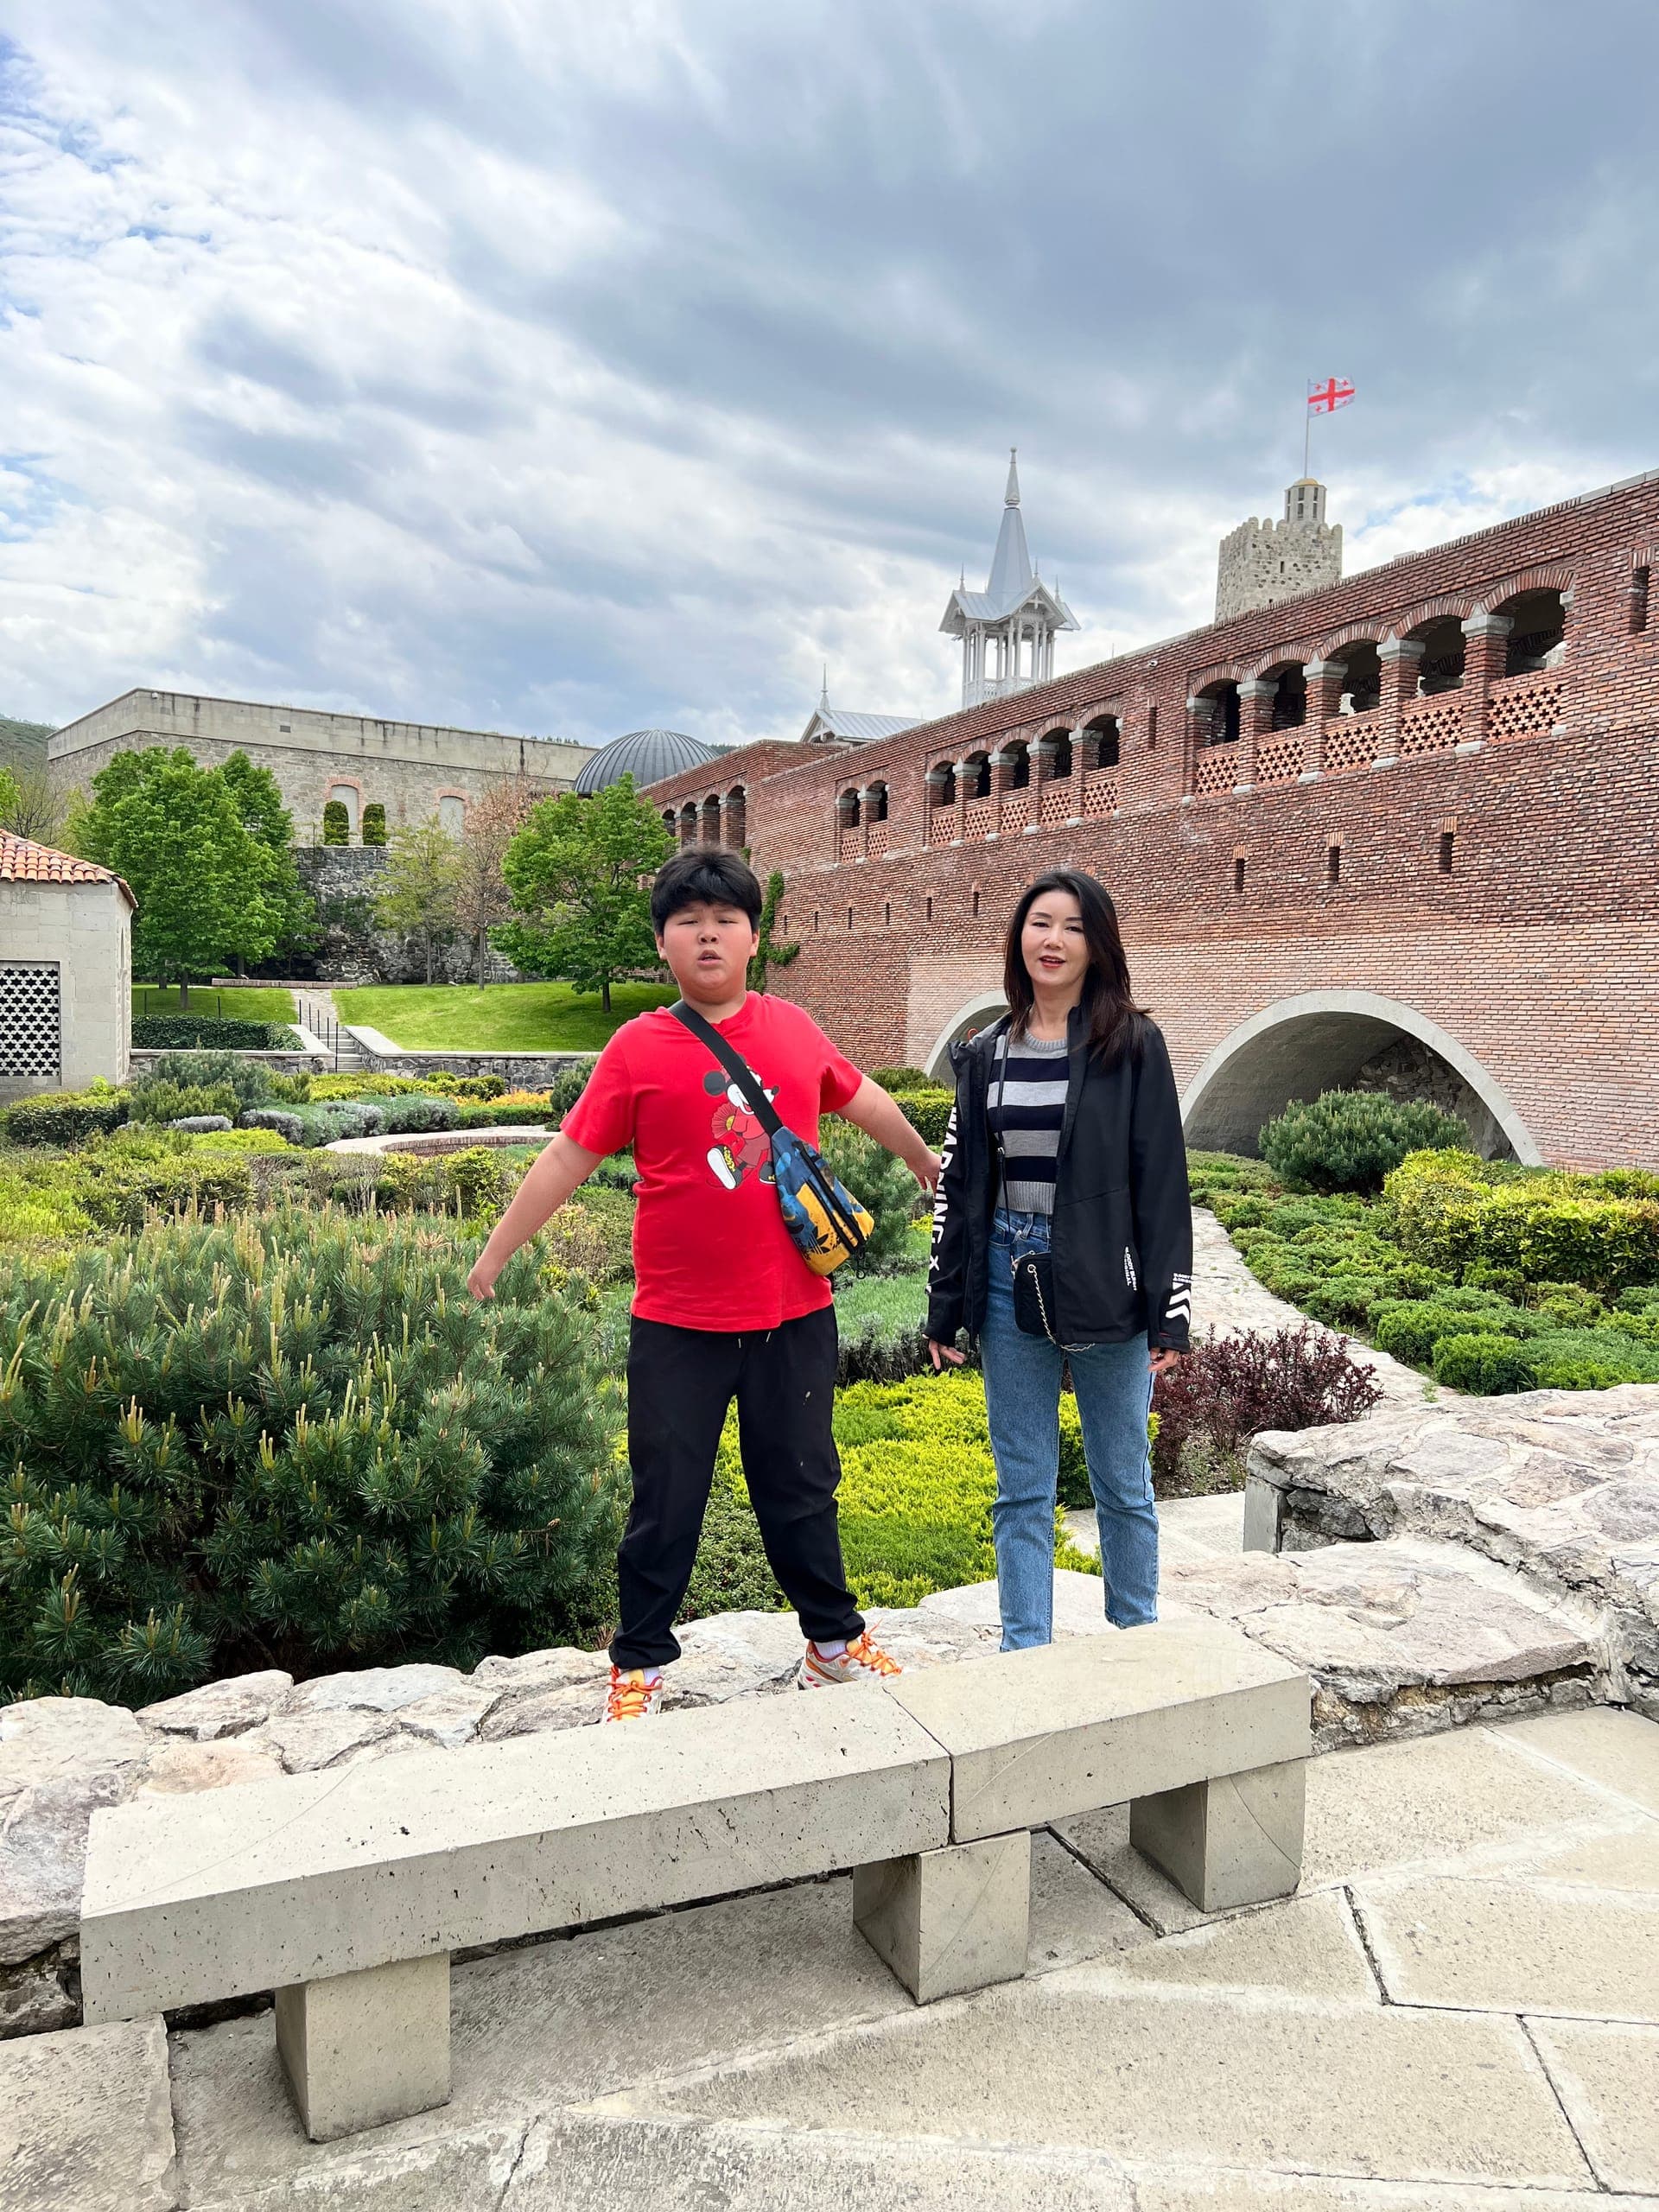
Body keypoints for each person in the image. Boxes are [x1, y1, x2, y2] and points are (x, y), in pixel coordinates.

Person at [467, 845, 941, 1720]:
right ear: (663, 943)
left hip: (794, 1314)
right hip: (678, 1325)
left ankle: (832, 1645)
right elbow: (569, 1155)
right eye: (689, 922)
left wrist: (921, 1157)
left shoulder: (794, 1029)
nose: (709, 936)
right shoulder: (637, 1048)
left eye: (727, 920)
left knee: (803, 1487)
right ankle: (639, 1665)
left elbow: (861, 1094)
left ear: (754, 937)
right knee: (666, 1498)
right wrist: (496, 1252)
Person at [925, 869, 1191, 1649]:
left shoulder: (1132, 1046)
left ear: (1097, 945)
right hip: (1008, 1272)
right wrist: (945, 1303)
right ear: (1019, 937)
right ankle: (1026, 1653)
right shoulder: (985, 1052)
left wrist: (1170, 1313)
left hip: (1106, 1279)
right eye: (1040, 923)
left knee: (1122, 1480)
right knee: (1021, 1489)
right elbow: (960, 1185)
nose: (1053, 940)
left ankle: (1135, 1641)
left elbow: (1162, 1181)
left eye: (1073, 927)